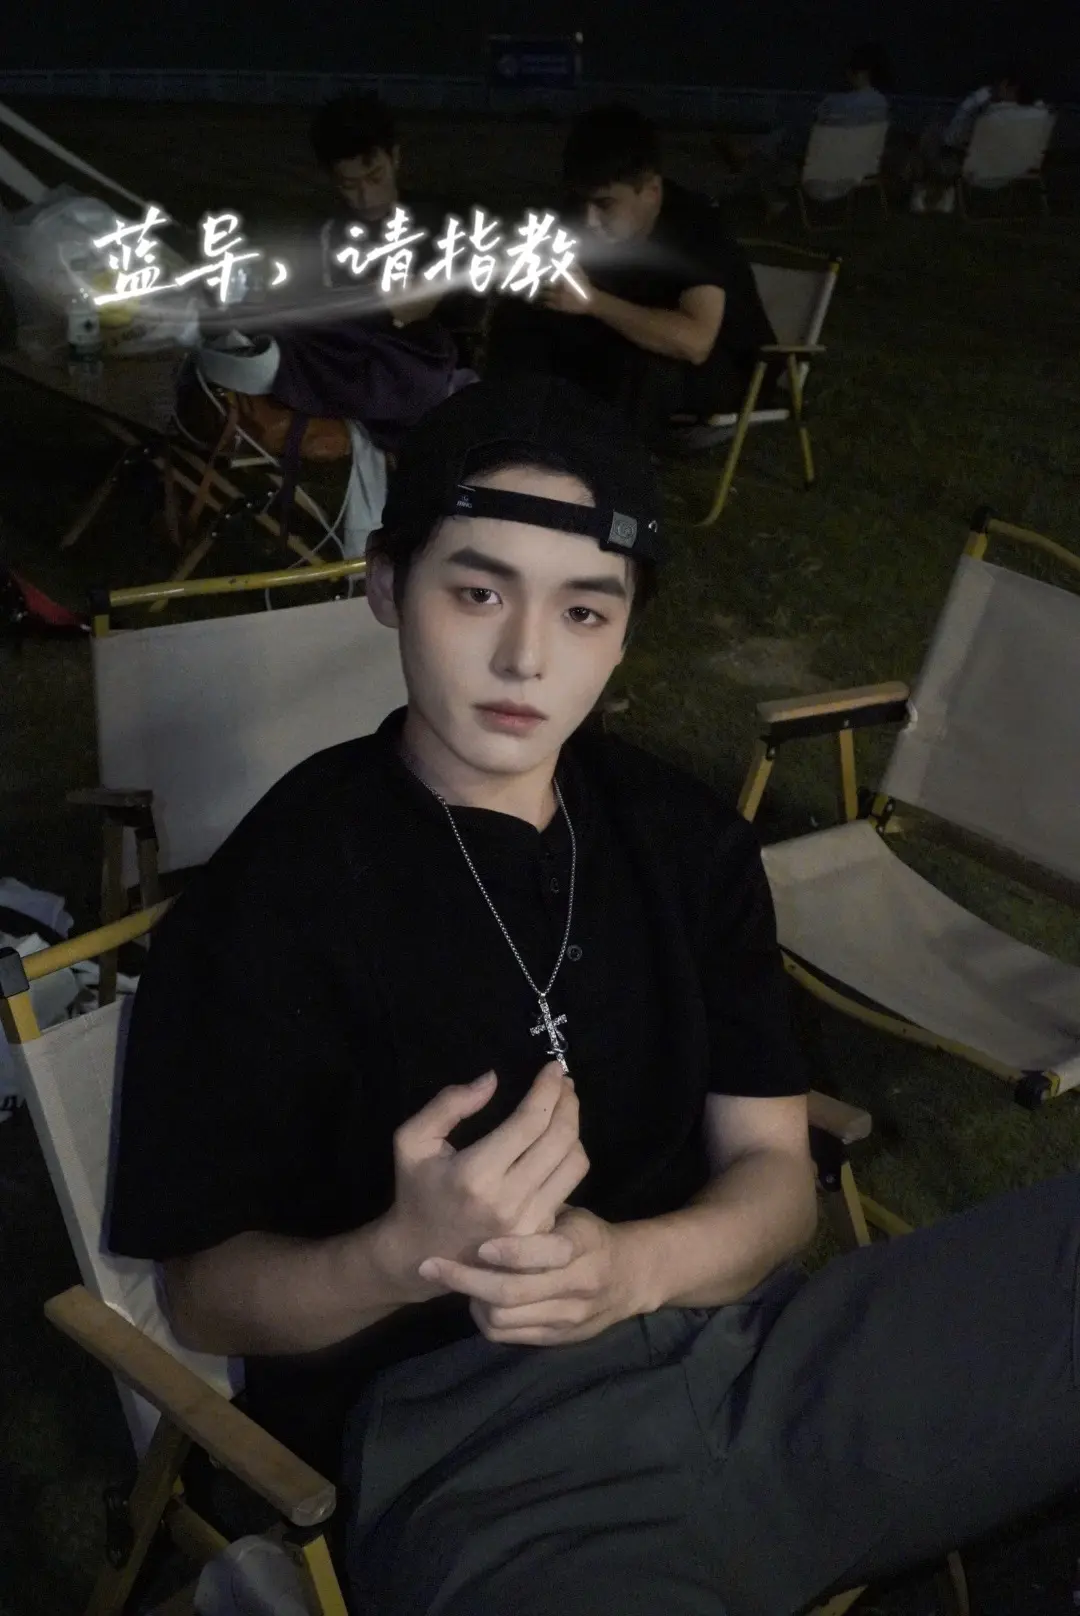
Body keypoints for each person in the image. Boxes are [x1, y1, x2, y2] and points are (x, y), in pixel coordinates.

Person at [109, 377, 1080, 1616]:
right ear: (386, 585)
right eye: (478, 592)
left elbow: (776, 1177)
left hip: (761, 1363)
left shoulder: (685, 841)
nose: (528, 656)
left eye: (583, 609)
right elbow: (201, 1293)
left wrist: (631, 1264)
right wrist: (398, 1254)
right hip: (480, 1457)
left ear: (624, 634)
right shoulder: (272, 897)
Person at [486, 105, 777, 451]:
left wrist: (593, 302)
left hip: (727, 370)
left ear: (651, 191)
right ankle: (508, 441)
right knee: (520, 319)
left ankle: (613, 467)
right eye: (582, 201)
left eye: (605, 204)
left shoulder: (696, 230)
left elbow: (695, 342)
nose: (589, 219)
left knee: (643, 362)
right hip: (625, 342)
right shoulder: (582, 215)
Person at [910, 66, 1047, 213]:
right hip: (1016, 166)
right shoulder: (1037, 112)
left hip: (979, 167)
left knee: (933, 137)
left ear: (1006, 85)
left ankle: (926, 192)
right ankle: (932, 192)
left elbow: (955, 138)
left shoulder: (989, 108)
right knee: (936, 138)